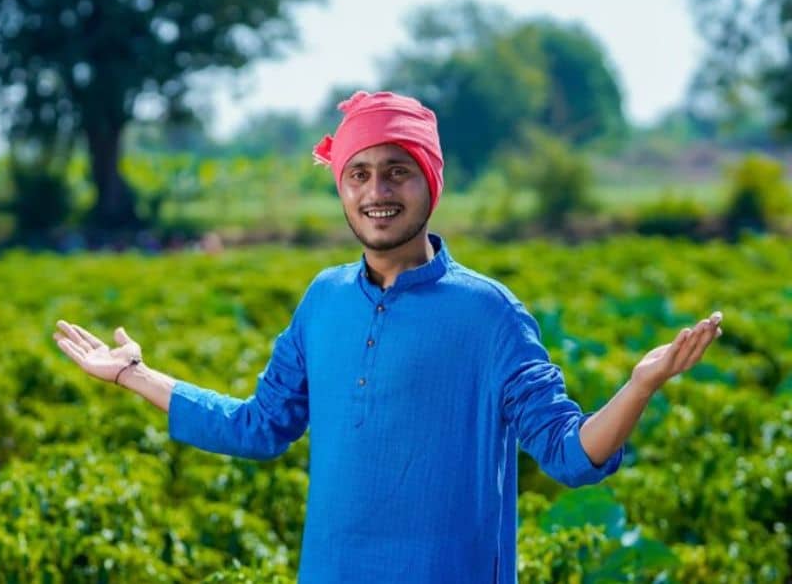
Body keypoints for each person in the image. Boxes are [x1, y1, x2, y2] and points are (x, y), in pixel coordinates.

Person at [51, 90, 724, 583]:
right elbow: (257, 427)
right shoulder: (323, 300)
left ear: (430, 181)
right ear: (342, 187)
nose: (378, 190)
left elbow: (570, 456)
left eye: (397, 170)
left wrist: (640, 386)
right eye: (359, 173)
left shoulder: (490, 314)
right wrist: (134, 374)